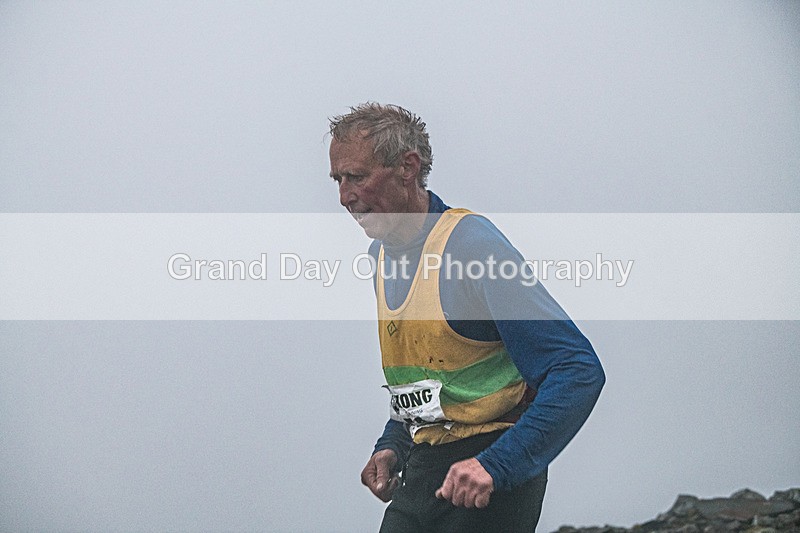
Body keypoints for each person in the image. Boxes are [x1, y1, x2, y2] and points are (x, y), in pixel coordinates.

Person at [328, 102, 605, 533]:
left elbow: (577, 369)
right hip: (423, 472)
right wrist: (393, 445)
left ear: (408, 166)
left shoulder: (470, 248)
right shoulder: (380, 257)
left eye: (357, 177)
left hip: (490, 473)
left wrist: (496, 465)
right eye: (338, 180)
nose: (345, 196)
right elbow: (431, 383)